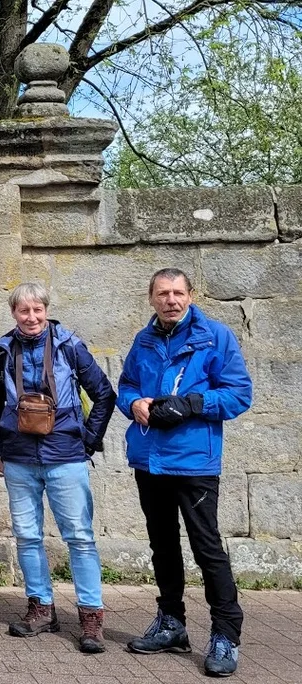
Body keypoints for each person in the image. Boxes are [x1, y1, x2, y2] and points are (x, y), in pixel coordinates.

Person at [118, 268, 252, 678]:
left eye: (178, 293)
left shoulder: (216, 337)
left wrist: (193, 403)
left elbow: (239, 394)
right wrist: (135, 403)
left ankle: (226, 634)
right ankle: (172, 623)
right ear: (151, 298)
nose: (170, 300)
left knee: (206, 548)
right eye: (163, 294)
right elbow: (125, 387)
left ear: (190, 296)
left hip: (194, 462)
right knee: (163, 545)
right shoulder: (143, 340)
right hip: (150, 460)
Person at [0, 282, 116, 654]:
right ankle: (40, 607)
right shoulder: (4, 351)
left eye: (37, 310)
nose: (31, 317)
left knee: (80, 538)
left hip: (65, 456)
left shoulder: (71, 346)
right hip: (19, 457)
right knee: (26, 536)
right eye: (24, 311)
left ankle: (91, 616)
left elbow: (104, 393)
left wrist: (88, 440)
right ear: (14, 314)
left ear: (46, 309)